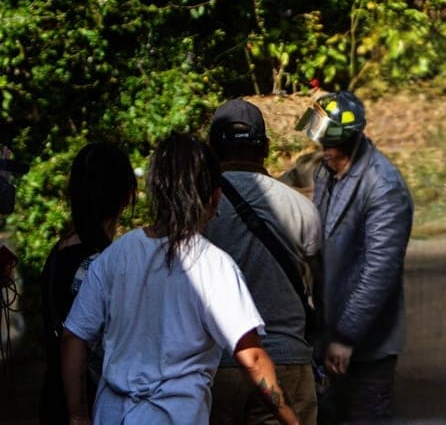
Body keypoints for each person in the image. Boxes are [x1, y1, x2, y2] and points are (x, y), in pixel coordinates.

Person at [61, 133, 298, 425]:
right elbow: (252, 357)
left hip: (112, 415)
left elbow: (75, 336)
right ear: (214, 196)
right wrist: (290, 418)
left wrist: (77, 413)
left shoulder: (114, 256)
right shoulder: (214, 265)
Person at [296, 91, 414, 423]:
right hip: (328, 334)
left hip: (367, 346)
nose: (319, 148)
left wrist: (346, 337)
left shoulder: (383, 187)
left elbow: (379, 272)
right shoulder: (327, 171)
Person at [205, 98, 322, 425]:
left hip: (215, 368)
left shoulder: (196, 210)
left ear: (211, 148)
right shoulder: (300, 208)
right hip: (287, 365)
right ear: (266, 147)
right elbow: (321, 292)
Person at [39, 142, 137, 425]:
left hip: (53, 400)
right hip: (92, 406)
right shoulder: (105, 264)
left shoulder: (57, 255)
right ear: (126, 197)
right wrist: (79, 412)